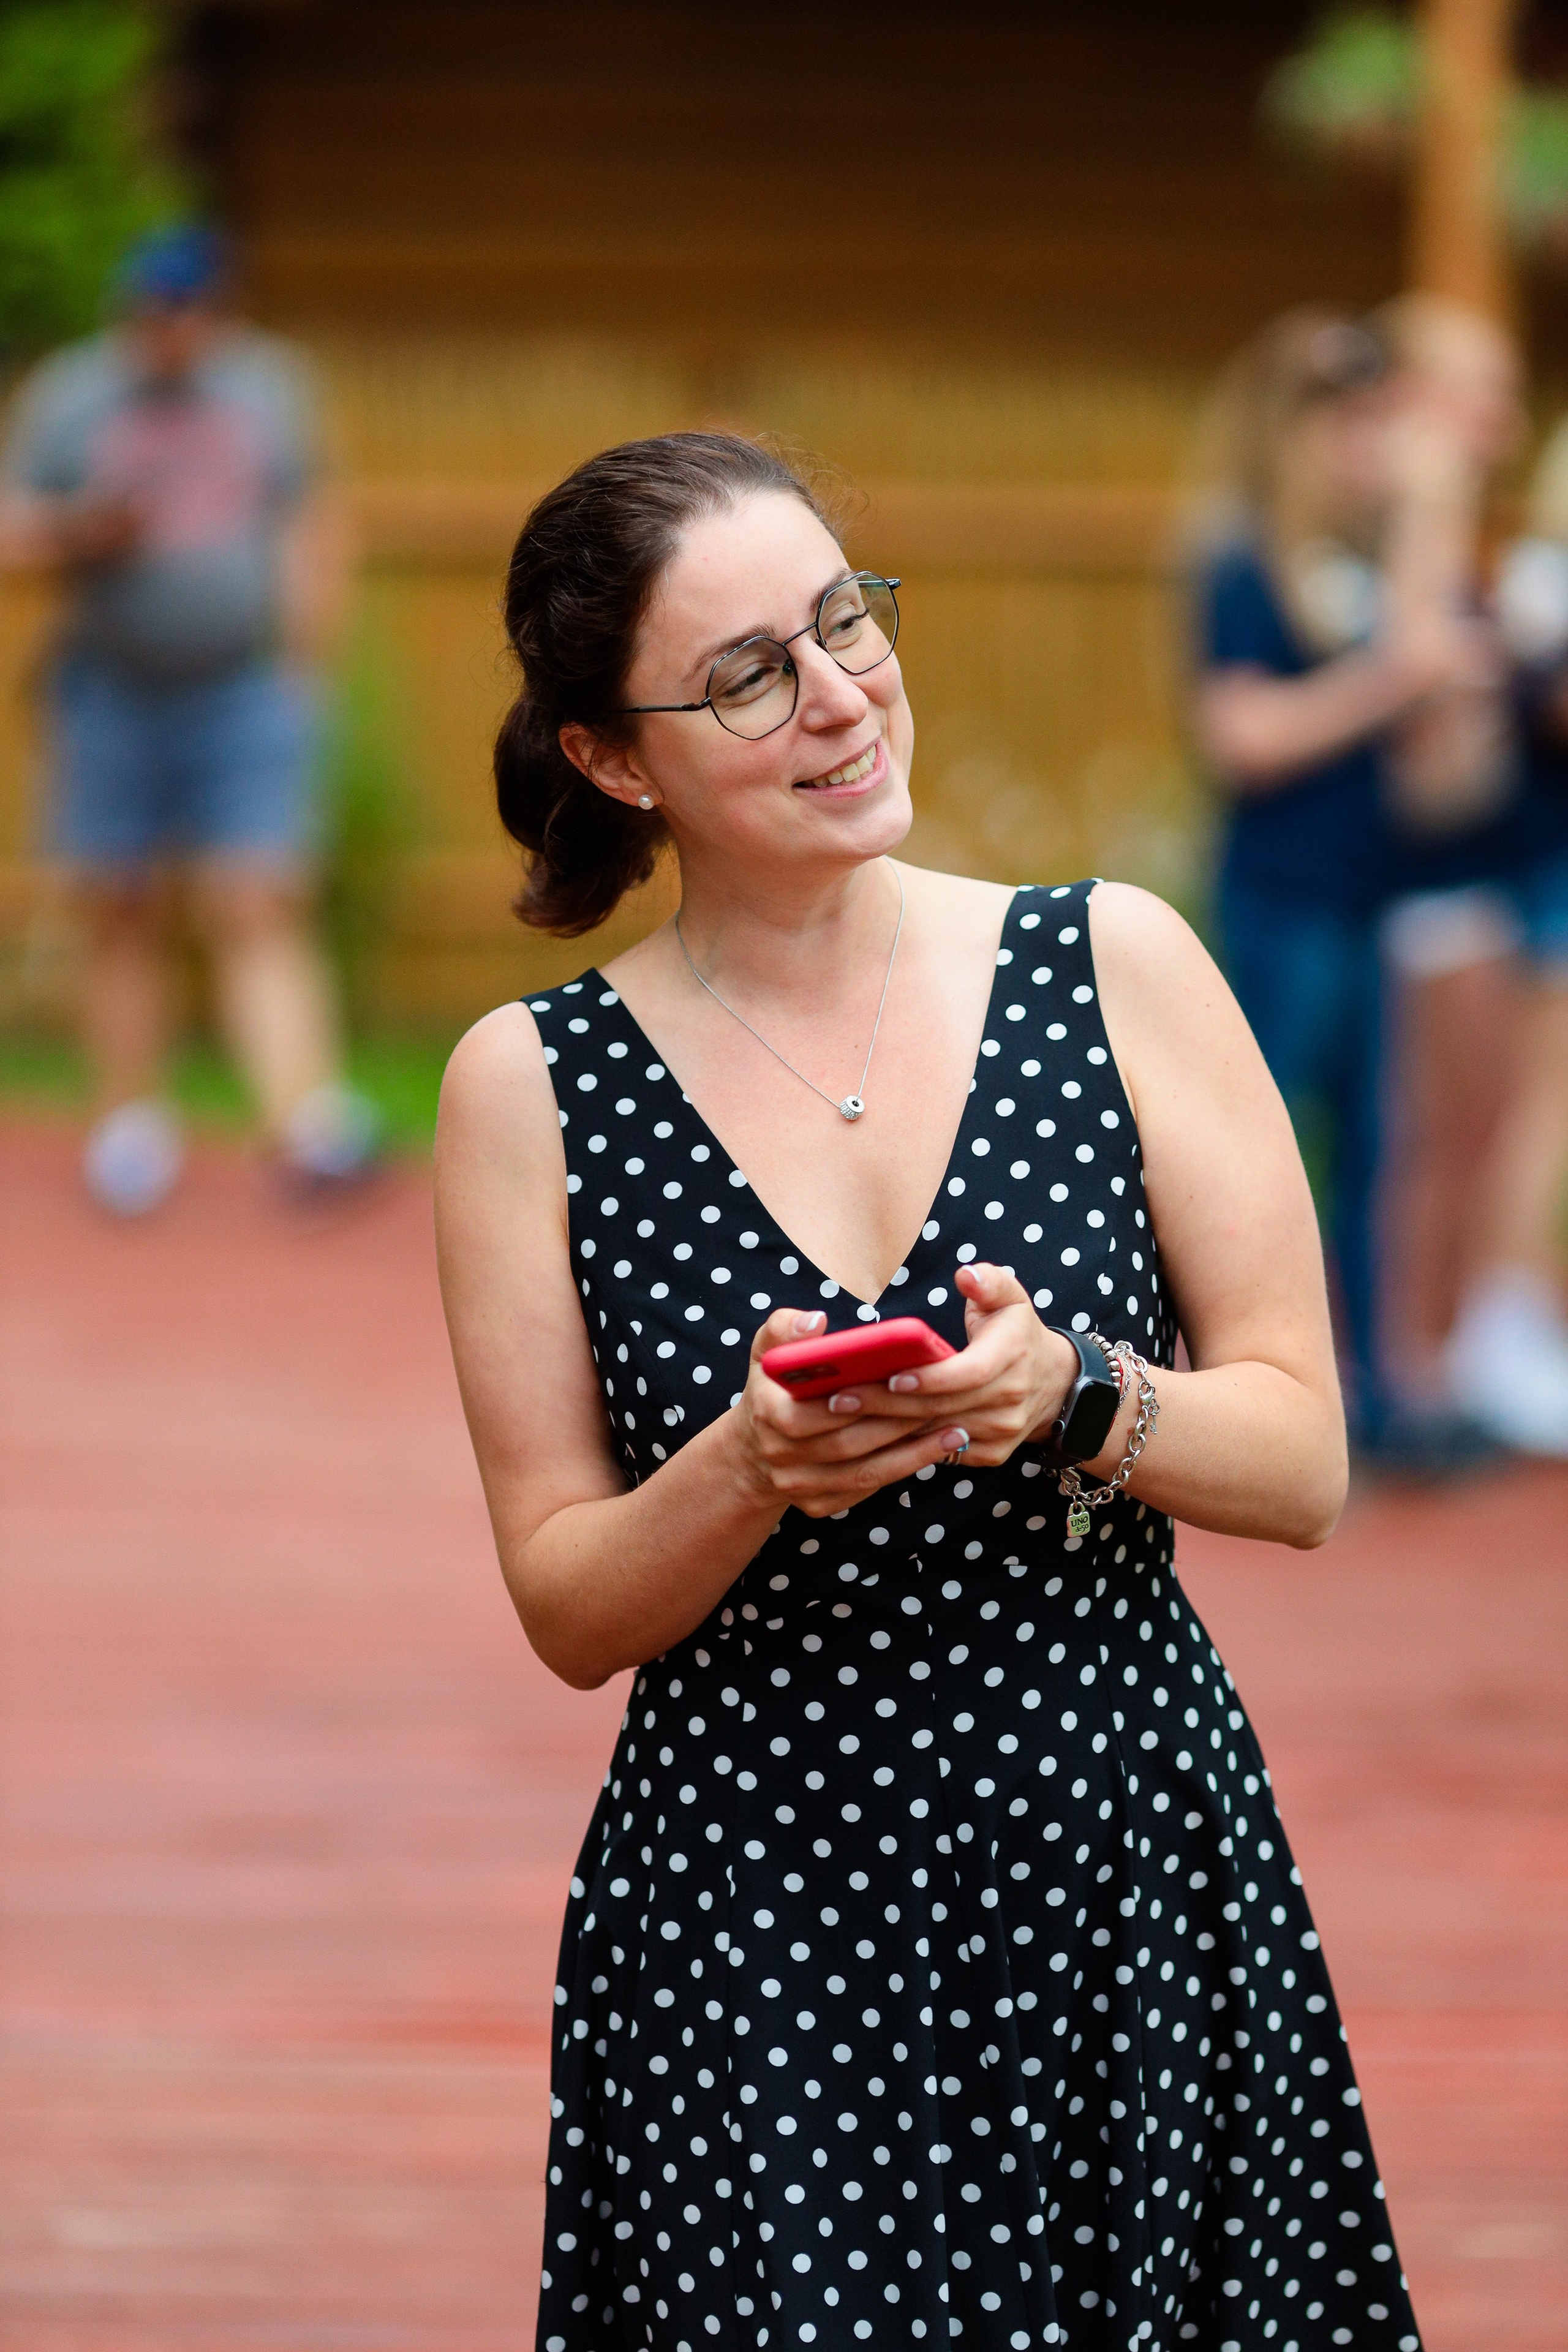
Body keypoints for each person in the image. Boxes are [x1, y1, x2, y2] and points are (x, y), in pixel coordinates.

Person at [435, 432, 1423, 2348]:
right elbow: (567, 1601)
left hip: (1125, 1871)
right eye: (746, 675)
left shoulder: (1114, 963)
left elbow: (1306, 1459)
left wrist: (1071, 1394)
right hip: (756, 1924)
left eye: (841, 622)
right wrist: (747, 1466)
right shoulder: (528, 1087)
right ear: (613, 758)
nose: (838, 696)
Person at [0, 222, 379, 1213]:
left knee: (259, 897)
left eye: (187, 309)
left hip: (242, 689)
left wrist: (305, 663)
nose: (168, 328)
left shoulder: (269, 388)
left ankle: (308, 1124)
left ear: (216, 310)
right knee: (118, 903)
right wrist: (79, 530)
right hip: (110, 691)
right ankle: (132, 1127)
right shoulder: (71, 395)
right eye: (151, 309)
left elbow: (310, 520)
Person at [1186, 308, 1491, 1468]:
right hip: (1282, 903)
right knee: (1267, 1155)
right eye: (1348, 427)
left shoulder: (1353, 570)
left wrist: (1429, 514)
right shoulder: (1239, 564)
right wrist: (1390, 682)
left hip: (1366, 900)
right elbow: (1242, 733)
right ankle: (1250, 1388)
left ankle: (1368, 1395)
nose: (1367, 449)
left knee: (1377, 1151)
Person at [1368, 296, 1568, 1455]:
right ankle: (1414, 1373)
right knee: (1438, 1144)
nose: (1498, 419)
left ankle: (1438, 1368)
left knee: (1473, 1131)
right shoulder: (1415, 528)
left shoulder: (1458, 538)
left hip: (1469, 880)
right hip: (1427, 884)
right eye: (1474, 394)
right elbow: (1435, 770)